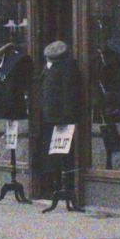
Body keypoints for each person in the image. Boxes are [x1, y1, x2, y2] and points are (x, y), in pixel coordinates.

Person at [38, 40, 84, 201]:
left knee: (65, 154)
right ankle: (56, 185)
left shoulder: (66, 68)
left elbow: (68, 94)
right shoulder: (50, 68)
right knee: (55, 154)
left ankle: (66, 187)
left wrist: (66, 116)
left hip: (60, 119)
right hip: (50, 118)